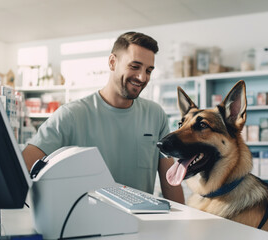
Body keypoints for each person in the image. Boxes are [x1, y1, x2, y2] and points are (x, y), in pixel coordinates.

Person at [22, 31, 185, 204]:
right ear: (112, 62)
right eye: (135, 66)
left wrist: (184, 223)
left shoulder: (155, 115)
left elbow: (170, 183)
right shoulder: (71, 115)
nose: (142, 77)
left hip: (140, 224)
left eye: (148, 70)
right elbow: (24, 167)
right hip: (86, 226)